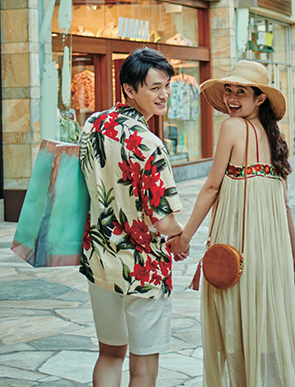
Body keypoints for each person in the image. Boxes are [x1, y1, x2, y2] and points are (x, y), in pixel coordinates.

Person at [168, 60, 295, 386]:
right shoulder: (276, 138)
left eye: (241, 92)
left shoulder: (231, 128)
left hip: (238, 247)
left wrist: (185, 237)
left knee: (235, 328)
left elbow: (211, 186)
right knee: (261, 327)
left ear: (260, 98)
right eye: (228, 90)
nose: (232, 98)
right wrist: (293, 255)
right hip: (271, 251)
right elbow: (284, 204)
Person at [78, 47, 187, 387]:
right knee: (143, 366)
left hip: (100, 260)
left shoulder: (93, 124)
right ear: (129, 88)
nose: (164, 94)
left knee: (109, 354)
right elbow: (164, 222)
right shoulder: (148, 143)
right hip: (144, 269)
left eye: (166, 85)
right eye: (154, 87)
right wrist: (182, 236)